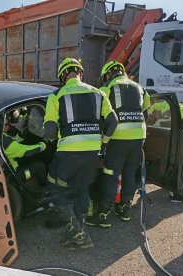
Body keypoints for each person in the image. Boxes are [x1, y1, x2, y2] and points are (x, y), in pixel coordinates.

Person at [43, 58, 117, 250]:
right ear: (81, 73)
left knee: (55, 189)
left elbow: (50, 132)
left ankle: (77, 232)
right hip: (92, 152)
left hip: (68, 153)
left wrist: (53, 138)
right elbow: (113, 121)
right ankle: (80, 234)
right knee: (81, 189)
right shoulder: (99, 93)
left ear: (62, 76)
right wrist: (103, 142)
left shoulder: (57, 95)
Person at [86, 61, 150, 228]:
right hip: (139, 137)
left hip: (118, 139)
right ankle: (124, 209)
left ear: (108, 74)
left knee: (111, 174)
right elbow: (146, 110)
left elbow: (101, 117)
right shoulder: (140, 88)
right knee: (129, 172)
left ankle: (102, 214)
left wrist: (103, 140)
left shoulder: (107, 89)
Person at [3, 111, 48, 189]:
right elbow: (27, 152)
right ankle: (44, 189)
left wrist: (21, 134)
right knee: (40, 166)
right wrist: (43, 144)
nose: (10, 125)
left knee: (29, 159)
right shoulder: (5, 142)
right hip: (13, 175)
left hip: (7, 166)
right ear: (2, 126)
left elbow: (14, 143)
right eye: (7, 124)